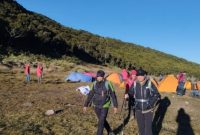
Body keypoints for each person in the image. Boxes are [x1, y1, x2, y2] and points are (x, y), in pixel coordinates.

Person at [83, 70, 118, 135]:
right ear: (96, 76)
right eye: (98, 76)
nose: (99, 78)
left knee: (101, 121)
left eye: (101, 76)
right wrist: (85, 105)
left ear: (103, 77)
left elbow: (113, 95)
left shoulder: (108, 83)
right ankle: (110, 131)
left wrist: (115, 106)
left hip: (105, 105)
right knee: (102, 120)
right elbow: (90, 94)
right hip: (96, 105)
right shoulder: (94, 84)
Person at [129, 68, 161, 135]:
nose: (140, 77)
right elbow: (130, 93)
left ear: (145, 75)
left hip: (148, 110)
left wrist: (150, 104)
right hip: (138, 109)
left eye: (141, 75)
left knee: (148, 130)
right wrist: (128, 96)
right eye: (138, 75)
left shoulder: (149, 83)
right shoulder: (134, 84)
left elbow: (156, 94)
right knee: (141, 128)